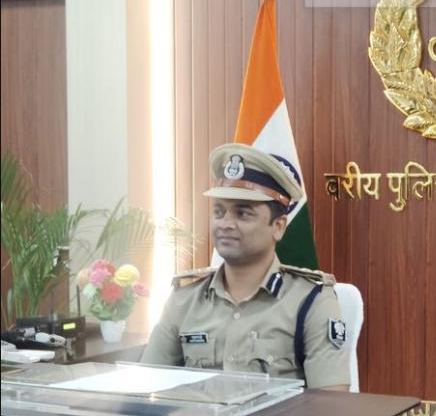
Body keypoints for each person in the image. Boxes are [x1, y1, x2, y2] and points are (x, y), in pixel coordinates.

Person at [141, 143, 350, 390]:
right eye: (219, 212)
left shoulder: (311, 301)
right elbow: (146, 386)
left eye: (243, 214)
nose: (225, 224)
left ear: (279, 226)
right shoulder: (184, 300)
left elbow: (330, 404)